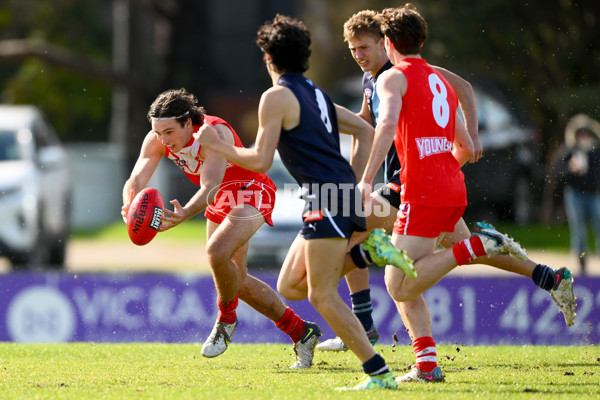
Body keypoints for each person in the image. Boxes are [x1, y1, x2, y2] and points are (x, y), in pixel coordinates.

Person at [316, 10, 577, 381]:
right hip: (436, 186)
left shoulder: (403, 74)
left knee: (355, 235)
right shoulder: (382, 80)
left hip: (409, 188)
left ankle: (362, 327)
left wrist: (375, 177)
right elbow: (374, 122)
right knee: (447, 253)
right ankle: (548, 277)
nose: (359, 54)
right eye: (353, 49)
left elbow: (436, 105)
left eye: (364, 47)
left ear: (385, 42)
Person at [197, 14, 407, 390]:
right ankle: (368, 252)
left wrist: (218, 146)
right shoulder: (315, 92)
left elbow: (261, 161)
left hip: (327, 198)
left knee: (320, 293)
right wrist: (357, 181)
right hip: (337, 194)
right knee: (292, 286)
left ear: (267, 58)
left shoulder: (275, 96)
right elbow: (365, 128)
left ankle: (378, 374)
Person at [121, 88, 321, 369]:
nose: (163, 140)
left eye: (168, 132)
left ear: (188, 123)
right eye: (157, 133)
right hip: (221, 199)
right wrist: (129, 204)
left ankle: (226, 319)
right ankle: (302, 332)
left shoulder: (214, 133)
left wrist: (185, 213)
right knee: (236, 281)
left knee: (216, 252)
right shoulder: (157, 139)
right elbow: (136, 178)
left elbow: (210, 186)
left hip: (251, 191)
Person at [552, 114, 600, 275]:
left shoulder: (596, 151)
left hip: (594, 194)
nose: (583, 137)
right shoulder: (568, 150)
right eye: (580, 133)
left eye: (586, 133)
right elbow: (556, 173)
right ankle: (582, 259)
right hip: (575, 194)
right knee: (578, 228)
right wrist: (570, 169)